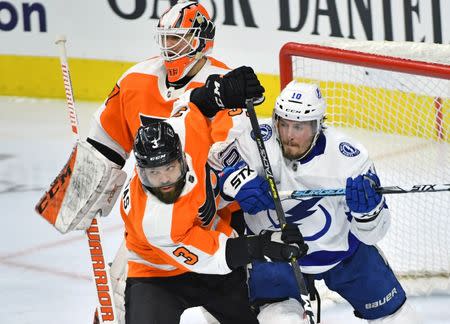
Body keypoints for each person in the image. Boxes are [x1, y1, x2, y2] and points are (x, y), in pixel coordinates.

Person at [209, 81, 421, 323]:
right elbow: (208, 175)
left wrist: (368, 214)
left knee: (402, 320)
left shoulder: (348, 158)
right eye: (284, 123)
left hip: (343, 254)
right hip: (275, 254)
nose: (288, 135)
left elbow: (372, 235)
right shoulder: (255, 141)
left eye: (299, 127)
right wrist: (231, 183)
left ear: (318, 126)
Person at [120, 101, 306, 323]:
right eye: (154, 173)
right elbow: (216, 253)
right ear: (141, 172)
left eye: (169, 168)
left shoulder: (188, 136)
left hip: (215, 272)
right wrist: (265, 244)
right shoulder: (154, 221)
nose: (164, 180)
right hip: (157, 275)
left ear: (182, 157)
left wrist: (220, 91)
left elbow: (197, 105)